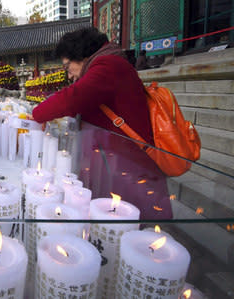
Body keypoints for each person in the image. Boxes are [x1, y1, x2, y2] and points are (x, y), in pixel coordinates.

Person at [31, 27, 172, 220]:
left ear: (80, 55)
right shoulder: (108, 63)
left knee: (128, 220)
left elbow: (73, 98)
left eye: (67, 67)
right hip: (118, 160)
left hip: (129, 165)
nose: (70, 75)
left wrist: (36, 114)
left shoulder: (109, 65)